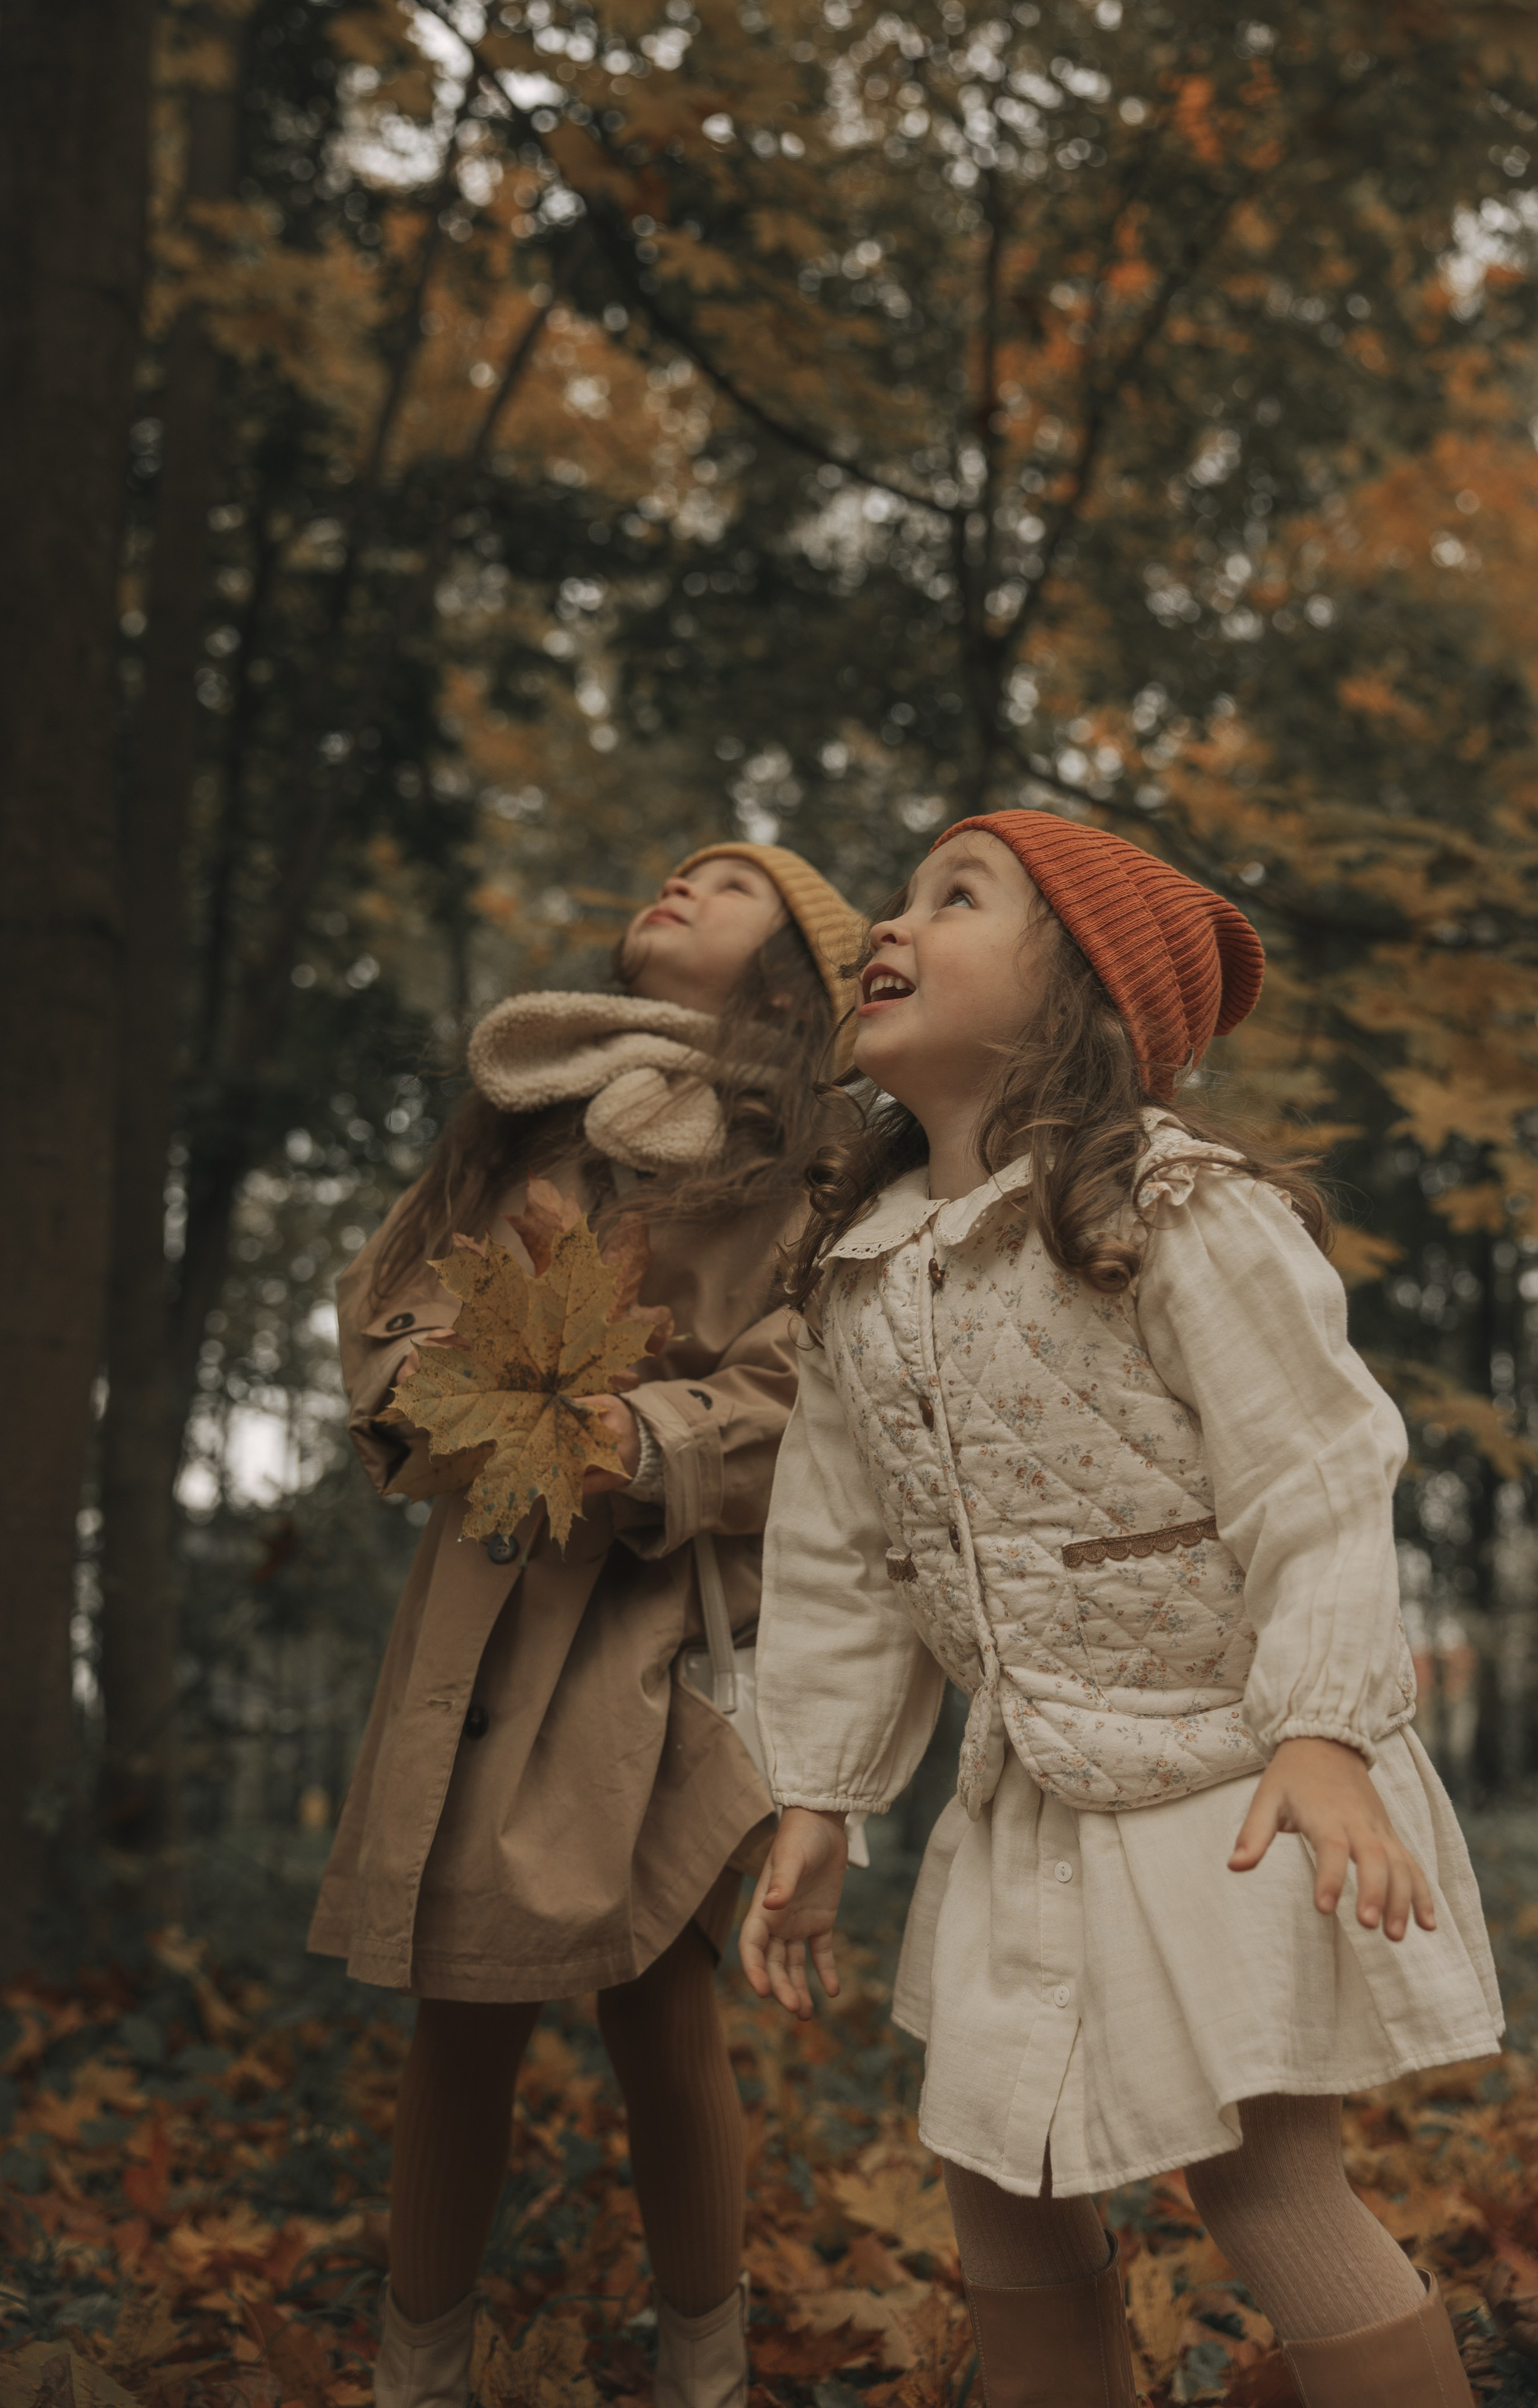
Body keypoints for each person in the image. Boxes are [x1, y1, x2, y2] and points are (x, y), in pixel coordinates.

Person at [739, 811, 1502, 2408]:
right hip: (1027, 1798)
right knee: (995, 2174)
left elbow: (1314, 1474)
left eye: (954, 898)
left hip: (1231, 1779)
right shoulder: (859, 1274)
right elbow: (840, 1558)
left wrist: (1322, 1729)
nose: (890, 922)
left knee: (1263, 2186)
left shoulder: (1173, 1208)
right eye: (895, 895)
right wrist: (818, 1791)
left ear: (1080, 996)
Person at [308, 843, 865, 2408]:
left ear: (788, 976)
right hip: (489, 1610)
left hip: (655, 1619)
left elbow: (803, 1394)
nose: (681, 885)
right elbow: (397, 1300)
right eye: (676, 871)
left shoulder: (809, 1160)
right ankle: (418, 2362)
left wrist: (640, 1437)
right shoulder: (522, 1117)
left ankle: (707, 2357)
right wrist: (453, 1389)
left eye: (731, 883)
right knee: (460, 1995)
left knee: (655, 1988)